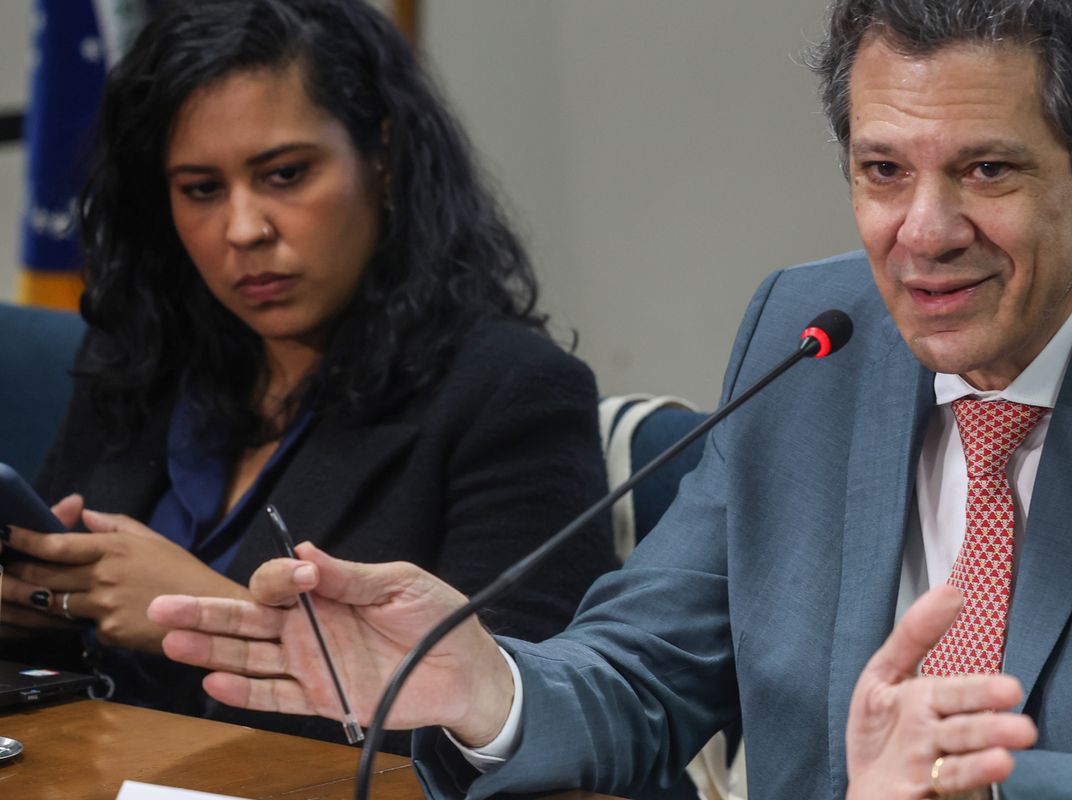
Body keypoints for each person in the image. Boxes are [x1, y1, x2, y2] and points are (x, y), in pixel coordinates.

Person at [151, 0, 1072, 796]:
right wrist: (482, 684)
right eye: (882, 170)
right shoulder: (813, 334)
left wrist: (980, 787)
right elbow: (649, 670)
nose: (922, 232)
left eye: (985, 170)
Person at [0, 0, 616, 749]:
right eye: (201, 189)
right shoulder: (139, 357)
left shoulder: (513, 392)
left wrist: (209, 617)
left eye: (285, 175)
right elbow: (64, 656)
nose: (244, 229)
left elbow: (526, 731)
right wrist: (35, 605)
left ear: (381, 158)